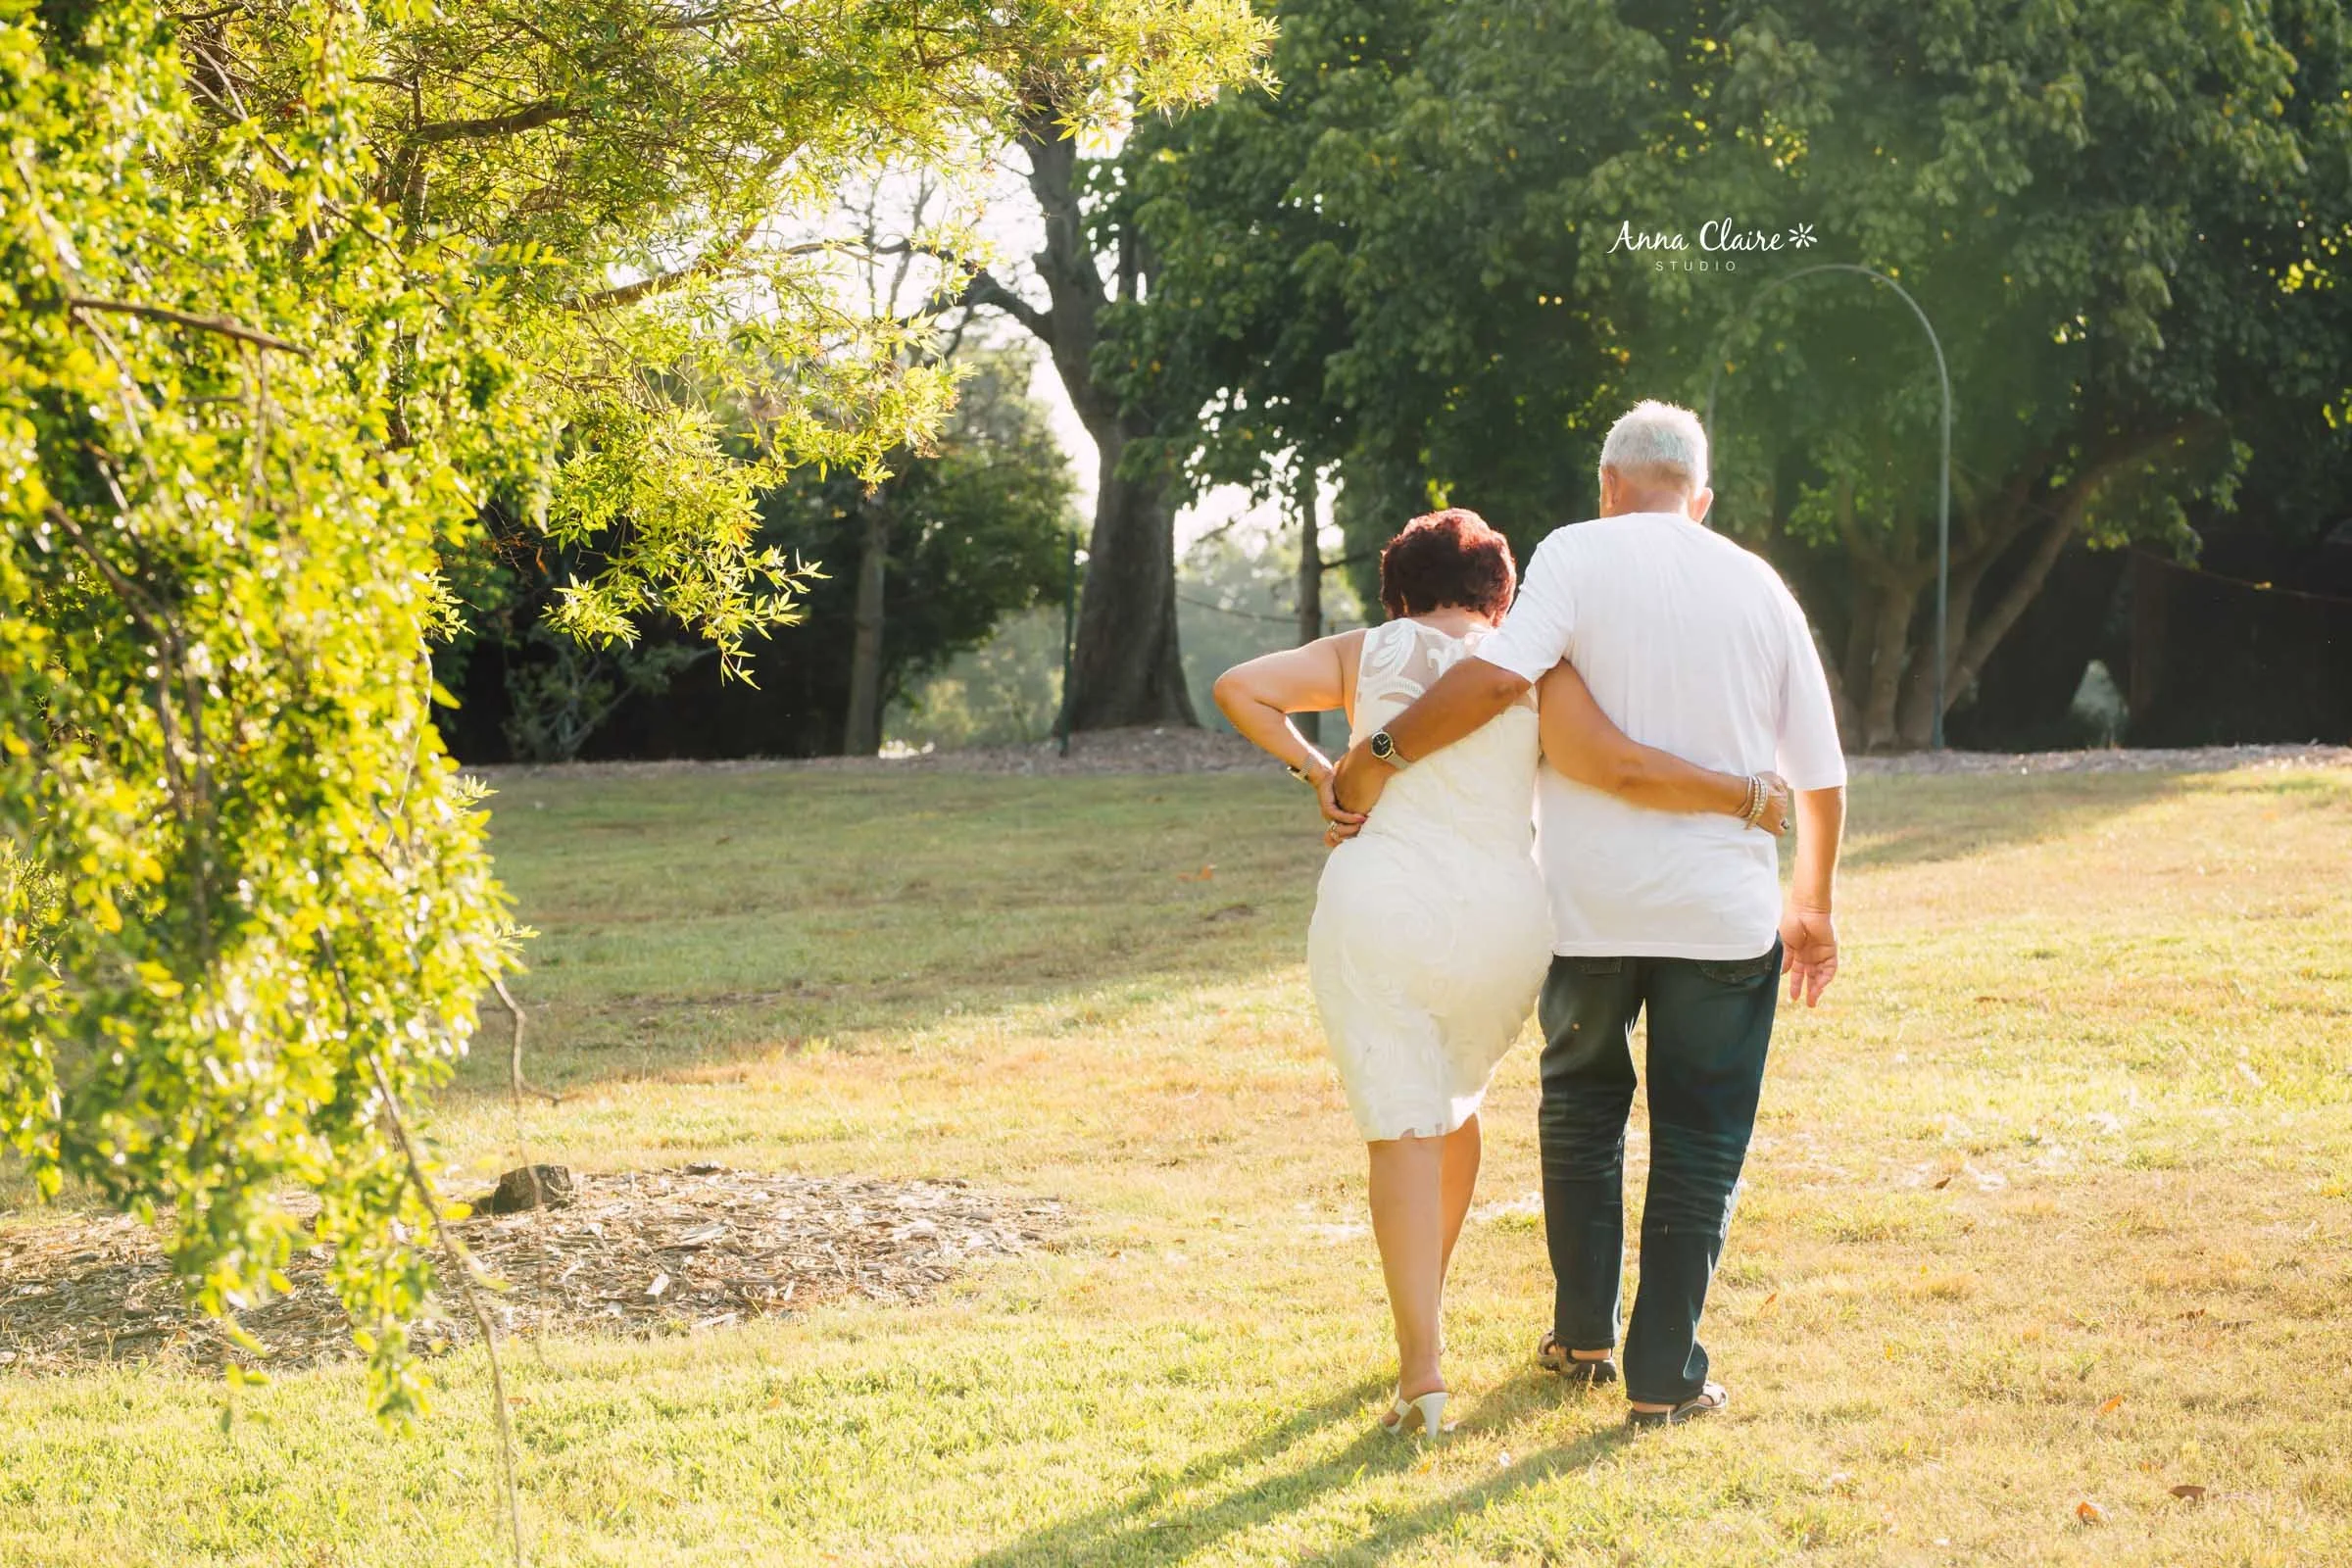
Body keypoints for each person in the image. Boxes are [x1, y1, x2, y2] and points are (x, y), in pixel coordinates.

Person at [1214, 507, 1790, 1439]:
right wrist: (1746, 798)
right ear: (1503, 595)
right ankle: (1424, 1326)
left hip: (1381, 902)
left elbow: (1240, 687)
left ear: (1399, 592)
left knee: (1400, 1123)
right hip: (1504, 919)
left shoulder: (1370, 651)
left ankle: (1422, 1371)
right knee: (1452, 1107)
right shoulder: (1533, 669)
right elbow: (1611, 766)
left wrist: (1320, 770)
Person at [1327, 401, 1848, 1430]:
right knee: (1699, 1139)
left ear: (1608, 484)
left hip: (1588, 906)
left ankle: (1580, 1336)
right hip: (1721, 912)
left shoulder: (1574, 551)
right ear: (1701, 498)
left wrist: (1376, 756)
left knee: (1580, 1116)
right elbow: (1820, 776)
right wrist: (1812, 905)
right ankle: (1664, 1377)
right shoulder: (1759, 582)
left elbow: (1490, 679)